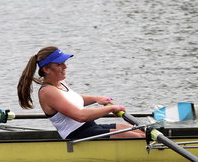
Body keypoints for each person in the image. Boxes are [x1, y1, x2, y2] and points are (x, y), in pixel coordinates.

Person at [17, 46, 145, 139]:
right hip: (78, 136)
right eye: (59, 64)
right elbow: (80, 115)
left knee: (140, 133)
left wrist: (96, 99)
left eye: (64, 63)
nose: (65, 67)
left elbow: (75, 100)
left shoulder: (60, 83)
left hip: (90, 128)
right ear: (46, 69)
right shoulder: (47, 92)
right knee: (136, 138)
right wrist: (111, 108)